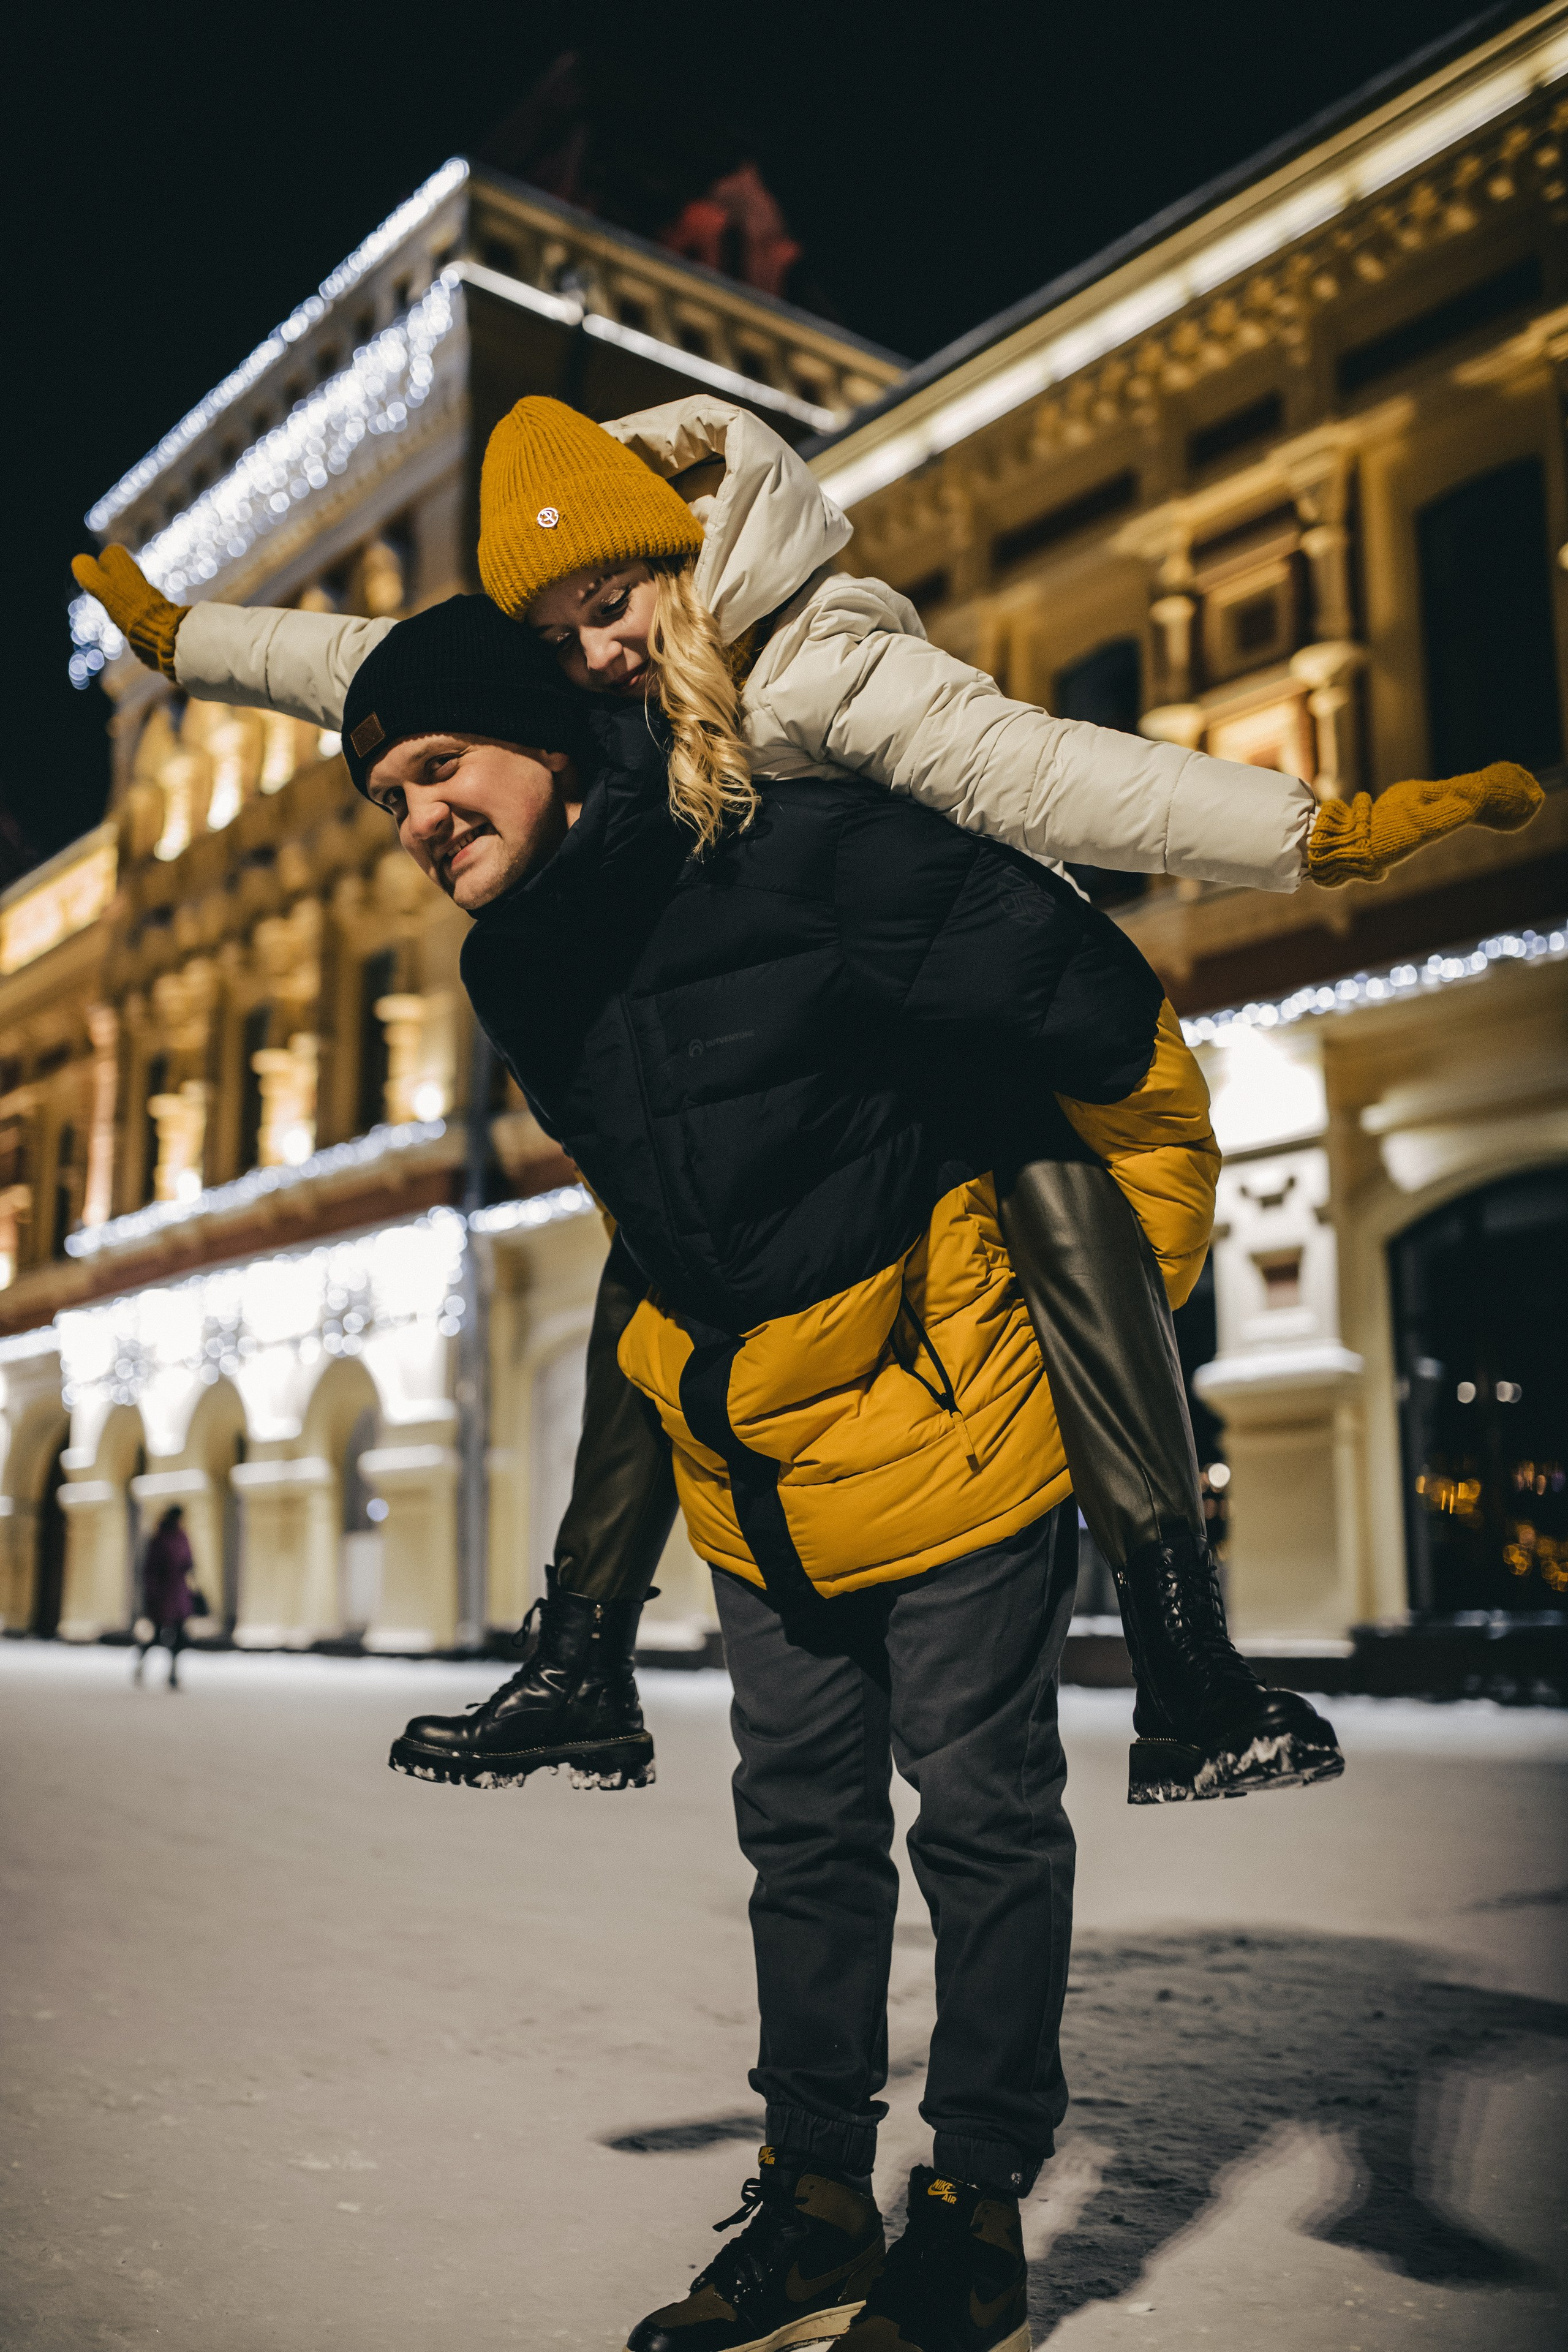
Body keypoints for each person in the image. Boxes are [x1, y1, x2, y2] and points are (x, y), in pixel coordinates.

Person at [74, 397, 1540, 1809]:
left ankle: (1182, 1652)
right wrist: (183, 641)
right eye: (558, 637)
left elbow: (1040, 769)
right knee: (653, 1253)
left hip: (944, 1003)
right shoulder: (593, 689)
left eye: (611, 604)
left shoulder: (820, 662)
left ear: (673, 555)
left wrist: (1308, 834)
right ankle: (579, 1658)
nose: (594, 655)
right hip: (781, 1026)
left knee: (1045, 1174)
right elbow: (375, 667)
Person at [331, 587, 1258, 2351]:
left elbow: (1100, 1026)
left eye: (440, 766)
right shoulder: (513, 967)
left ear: (545, 740)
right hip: (758, 1467)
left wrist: (1103, 1314)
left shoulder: (803, 847)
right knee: (804, 1840)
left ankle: (971, 2215)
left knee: (980, 1819)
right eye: (387, 797)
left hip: (955, 1418)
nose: (417, 818)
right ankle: (817, 2198)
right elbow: (666, 1217)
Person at [134, 1504, 197, 1690]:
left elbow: (189, 1562)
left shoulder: (182, 1537)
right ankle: (141, 1663)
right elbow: (151, 1570)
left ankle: (173, 1673)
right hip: (162, 1597)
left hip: (178, 1595)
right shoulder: (160, 1539)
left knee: (179, 1637)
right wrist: (152, 1595)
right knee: (156, 1636)